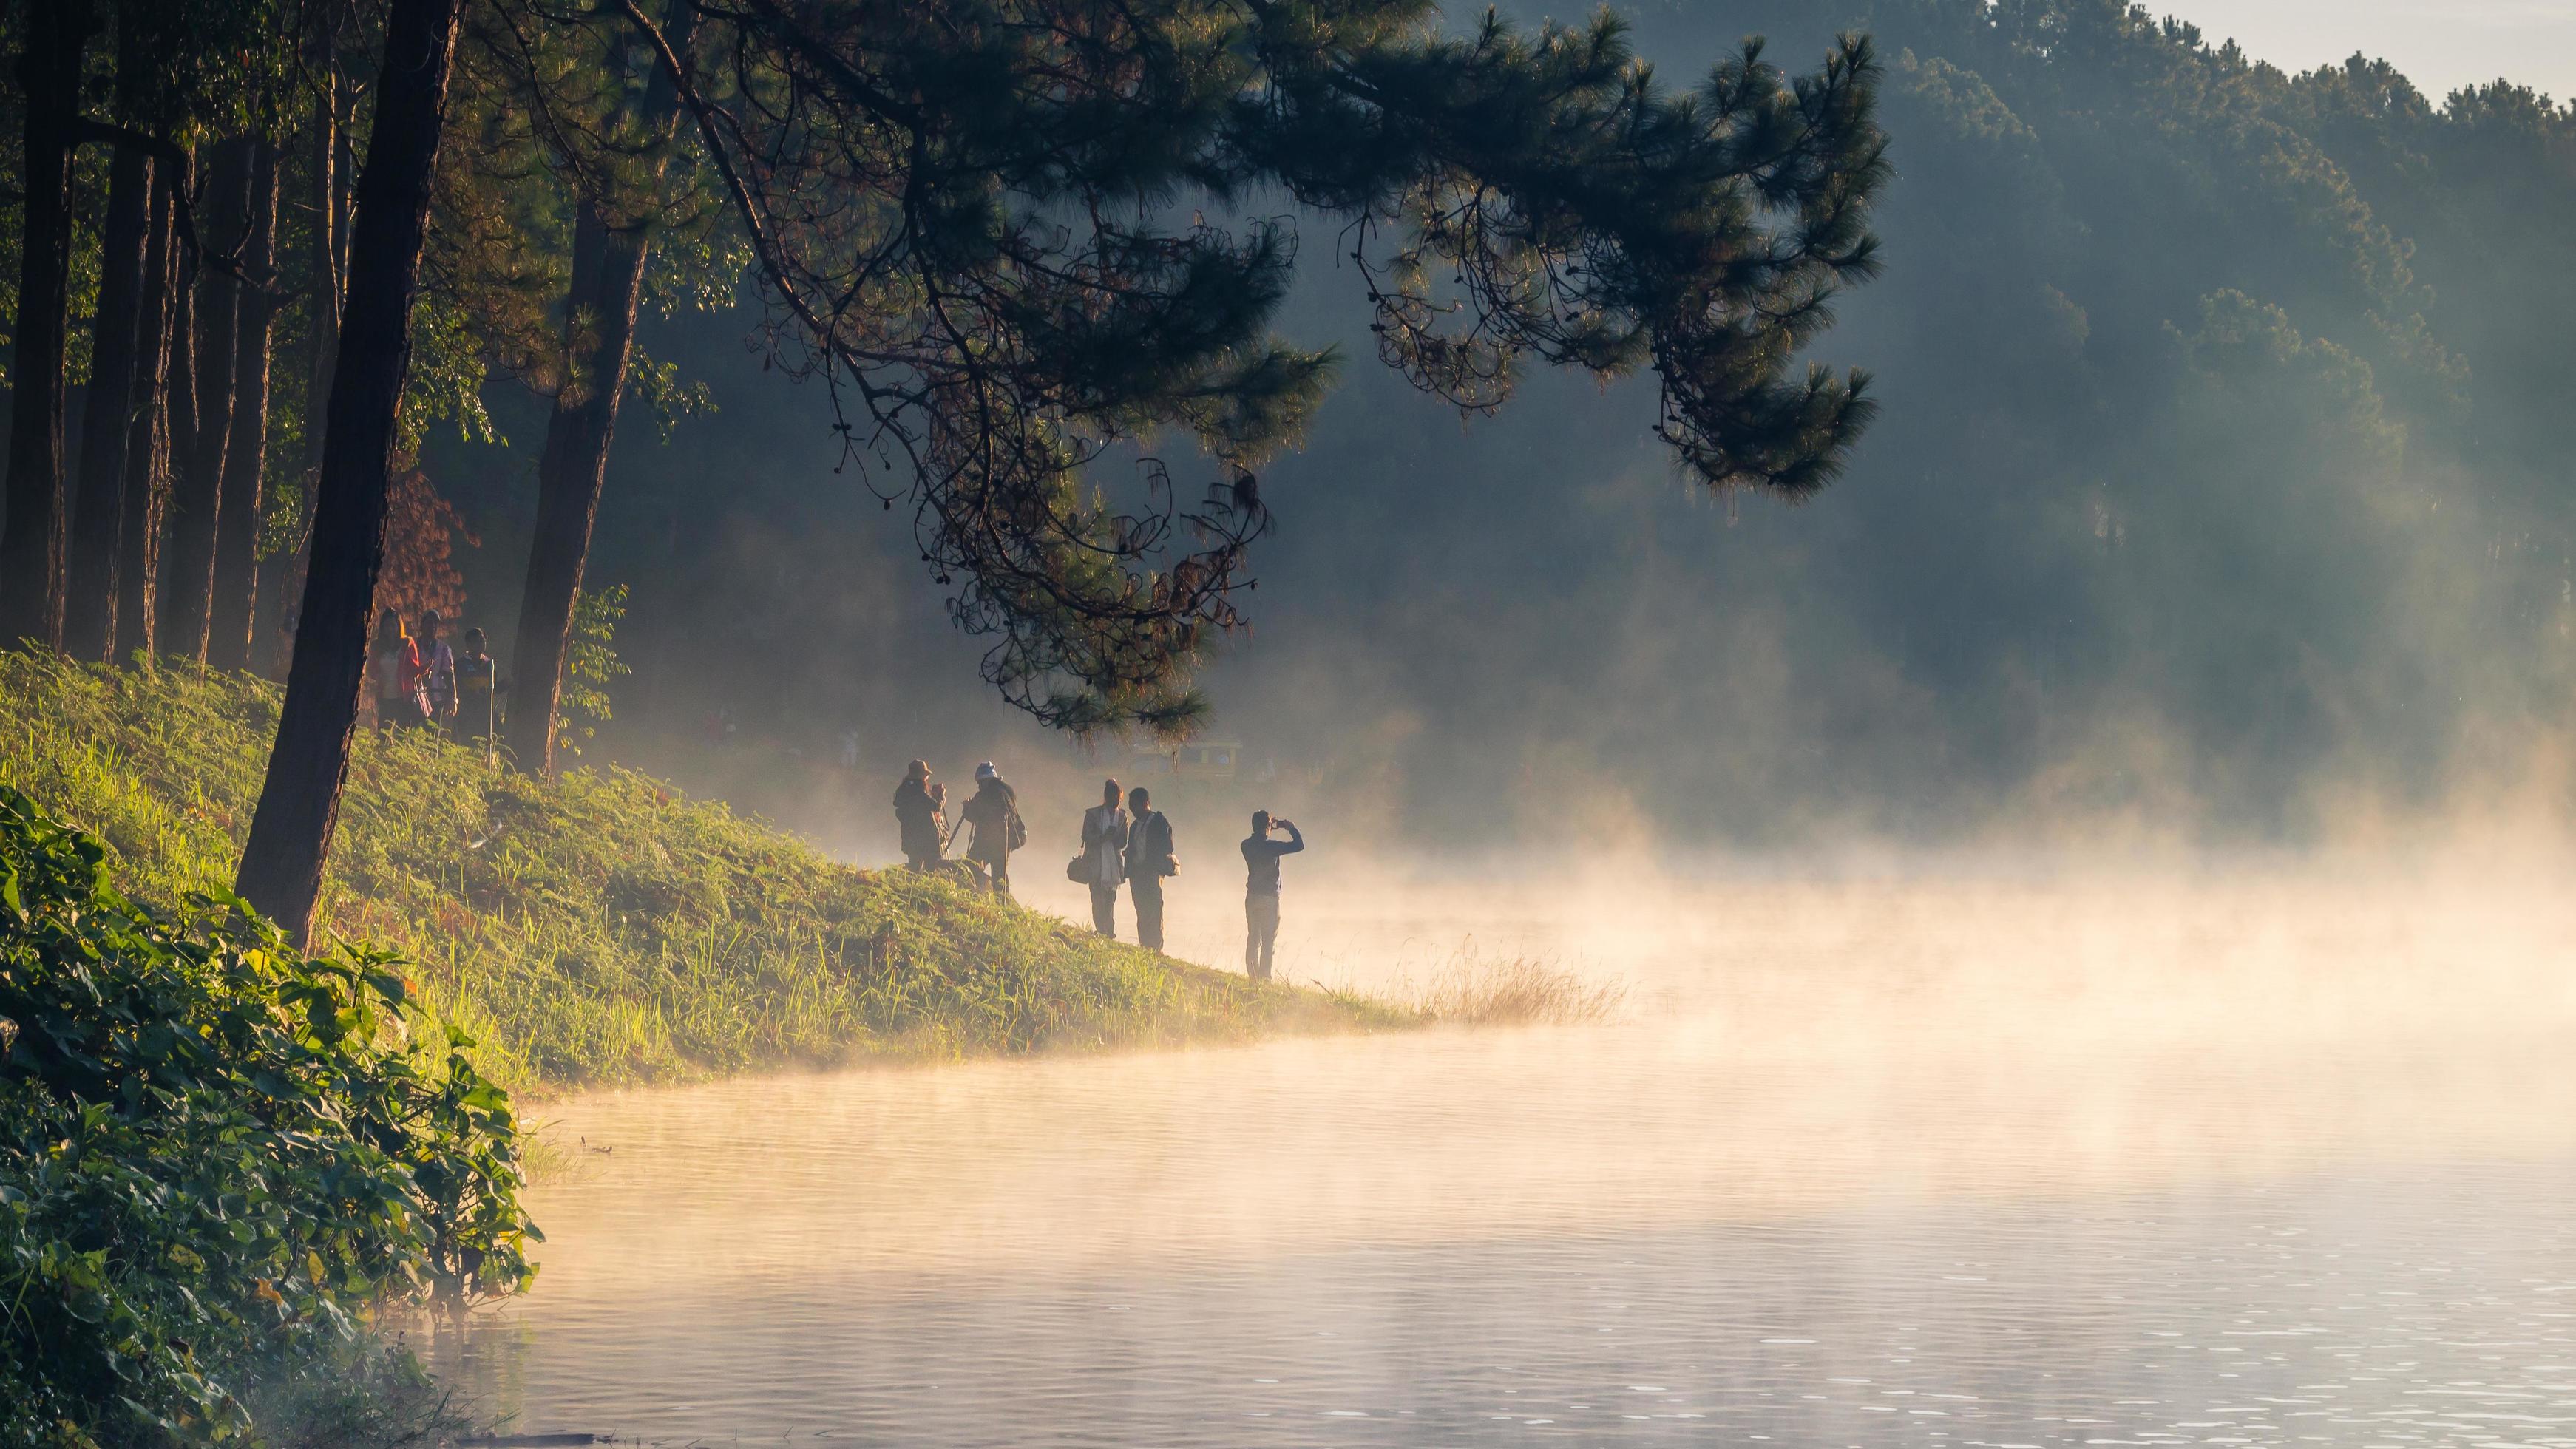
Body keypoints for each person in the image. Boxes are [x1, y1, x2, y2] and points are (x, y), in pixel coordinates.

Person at [1240, 810, 1304, 981]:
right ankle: (1265, 978)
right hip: (1269, 899)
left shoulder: (1245, 845)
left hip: (1252, 896)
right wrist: (1290, 828)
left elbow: (1257, 839)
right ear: (1268, 826)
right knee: (1268, 940)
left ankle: (1253, 976)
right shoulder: (1272, 847)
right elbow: (1299, 845)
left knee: (1253, 937)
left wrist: (1267, 827)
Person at [953, 761, 1022, 895]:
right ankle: (1002, 902)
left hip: (985, 842)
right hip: (1004, 843)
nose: (979, 786)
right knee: (1000, 876)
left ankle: (969, 895)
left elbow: (972, 815)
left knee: (970, 867)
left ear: (986, 780)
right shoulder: (1007, 792)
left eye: (980, 782)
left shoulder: (985, 795)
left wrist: (966, 807)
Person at [1124, 785, 1177, 951]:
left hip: (1152, 874)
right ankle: (1145, 946)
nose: (1132, 809)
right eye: (1131, 805)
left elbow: (1168, 847)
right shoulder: (1134, 826)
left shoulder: (1159, 822)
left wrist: (1153, 861)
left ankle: (1156, 947)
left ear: (1146, 803)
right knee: (1141, 910)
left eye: (1135, 805)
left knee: (1154, 910)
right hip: (1137, 875)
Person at [1078, 778, 1129, 937]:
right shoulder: (1093, 814)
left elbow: (1123, 842)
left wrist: (1112, 839)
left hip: (1113, 864)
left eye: (1118, 799)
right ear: (1106, 798)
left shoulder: (1122, 817)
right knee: (1097, 898)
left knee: (1110, 899)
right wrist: (1103, 837)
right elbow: (1086, 836)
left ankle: (1109, 931)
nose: (1116, 801)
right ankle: (1102, 929)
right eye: (1113, 798)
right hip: (1095, 863)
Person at [370, 610, 423, 730]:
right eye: (387, 625)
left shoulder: (408, 644)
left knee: (402, 736)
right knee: (383, 736)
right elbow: (372, 671)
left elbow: (415, 670)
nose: (390, 629)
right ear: (382, 627)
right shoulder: (377, 646)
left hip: (404, 699)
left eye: (393, 625)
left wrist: (424, 669)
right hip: (385, 699)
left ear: (399, 627)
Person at [893, 760, 946, 870]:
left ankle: (913, 887)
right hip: (925, 838)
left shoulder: (904, 789)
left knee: (914, 868)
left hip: (910, 836)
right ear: (921, 776)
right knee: (931, 869)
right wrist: (941, 797)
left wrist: (931, 794)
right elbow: (936, 807)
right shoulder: (918, 790)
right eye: (926, 775)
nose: (927, 778)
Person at [454, 626, 498, 752]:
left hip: (485, 713)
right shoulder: (460, 664)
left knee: (485, 746)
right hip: (467, 711)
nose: (481, 644)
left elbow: (494, 687)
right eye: (477, 641)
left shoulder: (490, 664)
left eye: (483, 640)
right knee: (468, 745)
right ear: (468, 644)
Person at [416, 609, 458, 730]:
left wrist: (452, 698)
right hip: (415, 697)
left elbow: (449, 675)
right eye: (429, 623)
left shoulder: (444, 649)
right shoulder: (413, 645)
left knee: (432, 735)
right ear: (422, 625)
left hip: (436, 698)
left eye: (436, 623)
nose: (433, 626)